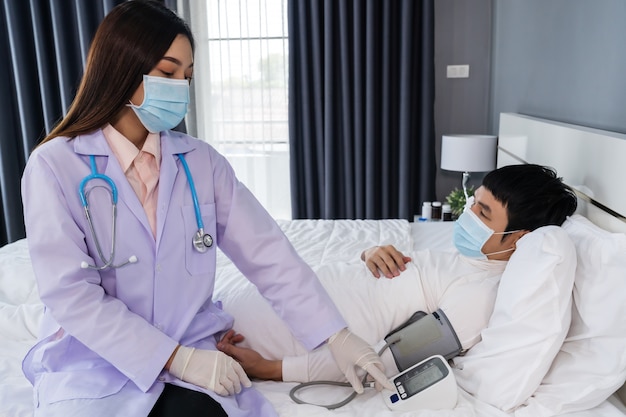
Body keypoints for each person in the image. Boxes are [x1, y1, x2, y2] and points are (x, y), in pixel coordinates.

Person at [19, 2, 391, 416]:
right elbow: (71, 296)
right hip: (96, 360)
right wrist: (176, 358)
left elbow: (267, 254)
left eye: (187, 76)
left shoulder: (201, 162)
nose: (180, 86)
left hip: (197, 356)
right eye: (167, 72)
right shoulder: (54, 166)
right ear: (122, 69)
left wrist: (335, 337)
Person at [216, 164, 578, 386]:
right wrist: (367, 253)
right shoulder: (475, 256)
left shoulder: (481, 298)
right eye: (473, 202)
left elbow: (382, 361)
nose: (467, 214)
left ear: (519, 238)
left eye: (483, 213)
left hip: (281, 328)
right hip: (285, 294)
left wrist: (271, 369)